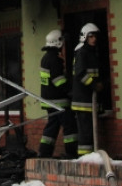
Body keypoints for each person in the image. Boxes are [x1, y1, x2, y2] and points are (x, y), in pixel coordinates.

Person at [38, 29, 78, 159]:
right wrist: (70, 90)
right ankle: (72, 153)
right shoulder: (54, 59)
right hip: (59, 101)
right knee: (69, 127)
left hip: (49, 101)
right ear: (57, 42)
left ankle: (44, 153)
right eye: (62, 41)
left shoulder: (45, 58)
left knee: (51, 128)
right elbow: (58, 80)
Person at [70, 23, 103, 157]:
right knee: (85, 132)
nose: (94, 39)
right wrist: (94, 85)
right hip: (83, 101)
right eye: (91, 36)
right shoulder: (82, 52)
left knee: (89, 132)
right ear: (85, 37)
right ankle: (85, 159)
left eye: (95, 36)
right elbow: (80, 74)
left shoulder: (90, 52)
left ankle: (90, 157)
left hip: (89, 100)